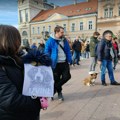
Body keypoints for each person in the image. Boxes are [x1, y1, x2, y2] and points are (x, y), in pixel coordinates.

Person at [0, 25, 41, 120]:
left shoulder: (16, 59)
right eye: (17, 39)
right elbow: (12, 101)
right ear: (8, 41)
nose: (19, 43)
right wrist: (37, 99)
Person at [44, 26, 72, 101]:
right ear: (56, 32)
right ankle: (59, 93)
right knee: (56, 79)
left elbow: (68, 50)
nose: (63, 33)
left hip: (64, 62)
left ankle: (53, 89)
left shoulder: (64, 40)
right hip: (55, 64)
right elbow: (46, 52)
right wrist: (48, 61)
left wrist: (69, 59)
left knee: (67, 76)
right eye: (62, 32)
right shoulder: (50, 41)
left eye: (63, 32)